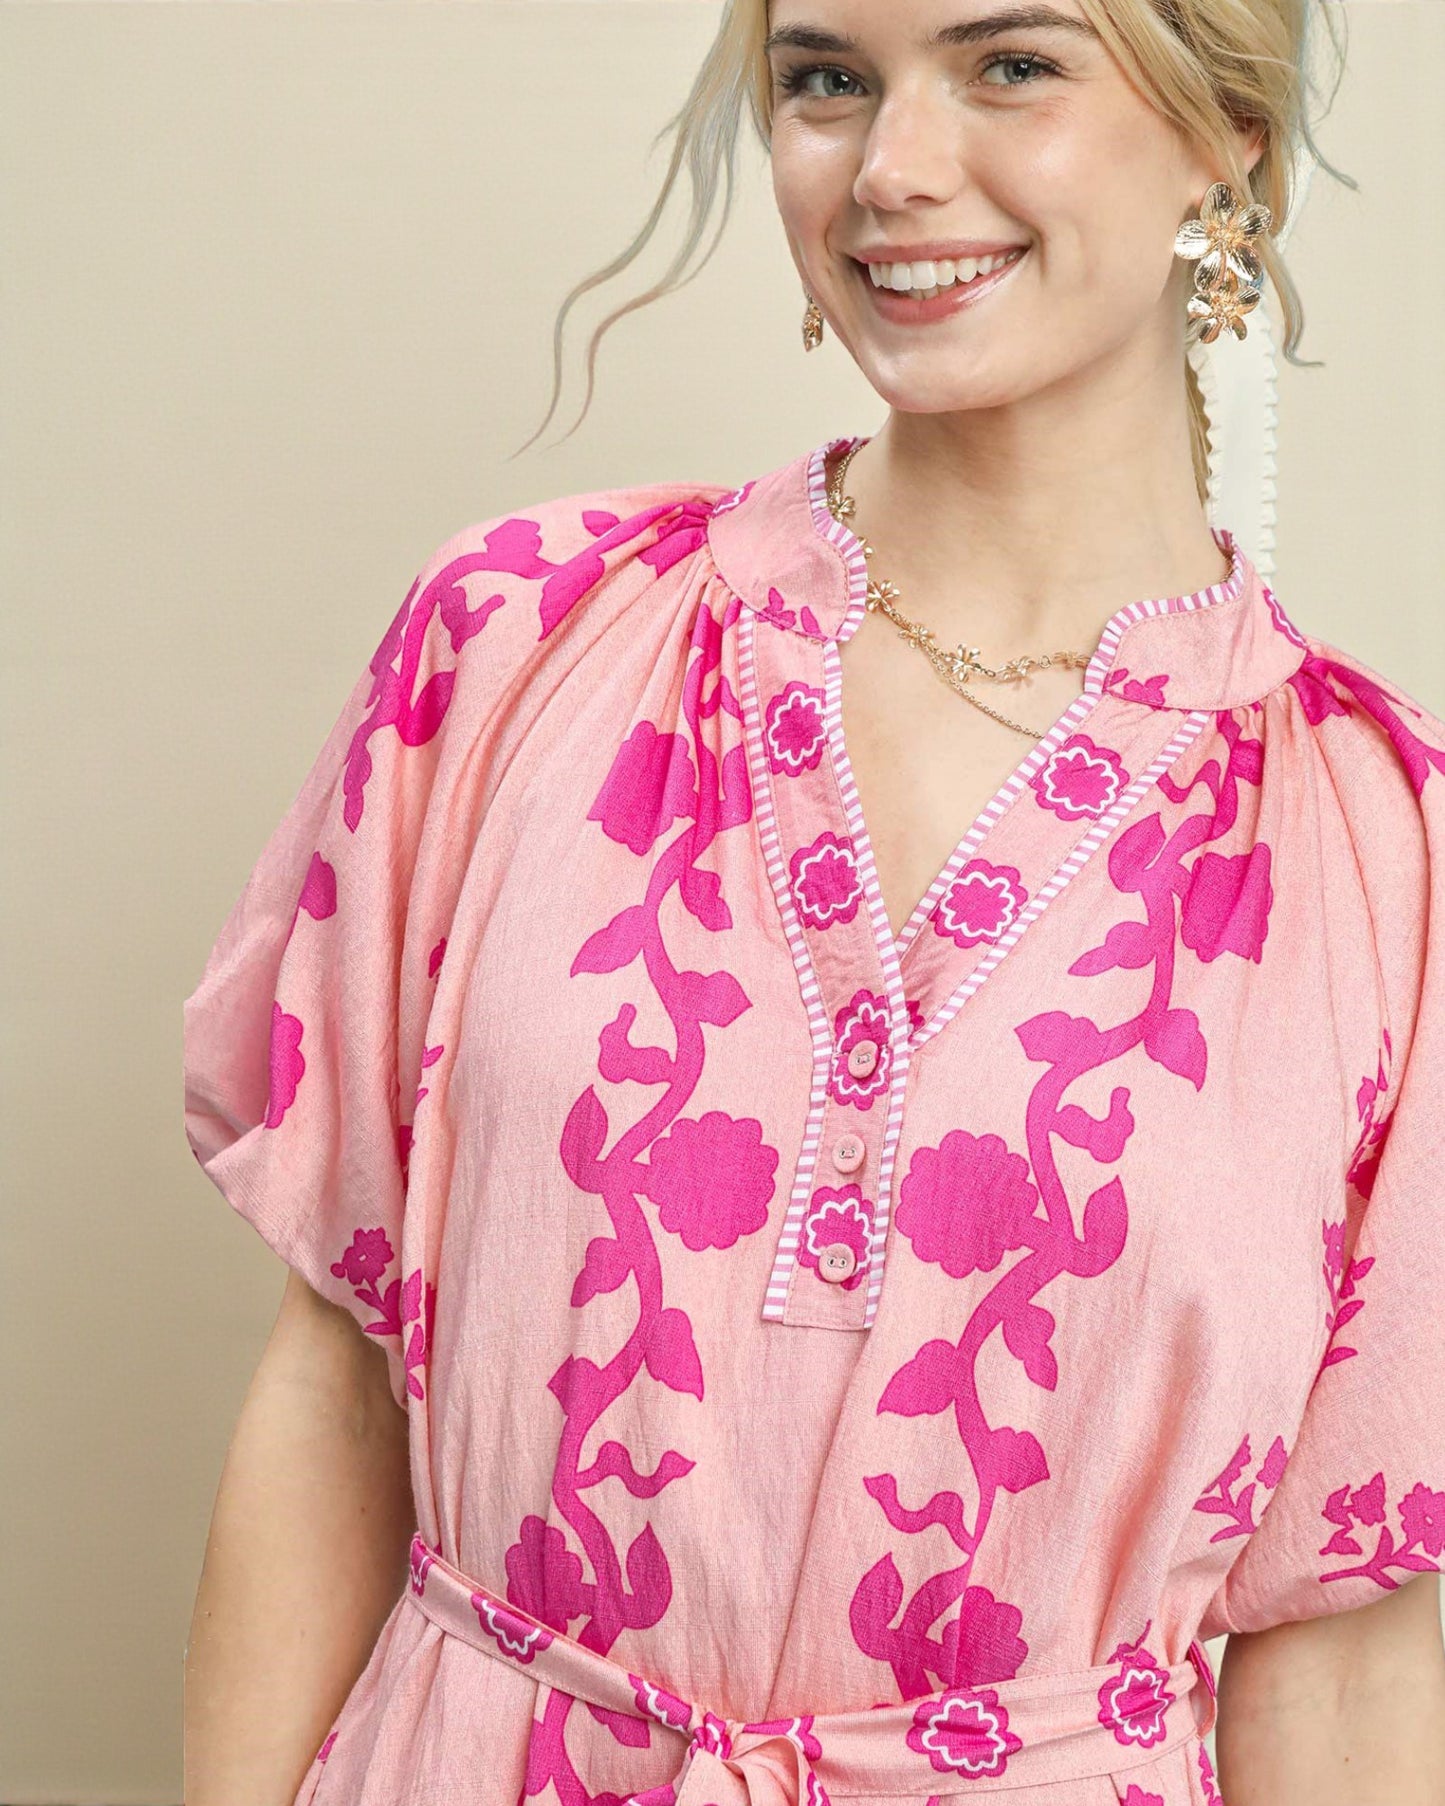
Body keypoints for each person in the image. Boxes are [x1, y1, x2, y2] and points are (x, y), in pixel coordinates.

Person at [180, 1, 1445, 1801]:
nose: (891, 169)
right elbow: (333, 1380)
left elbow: (1347, 1641)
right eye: (826, 79)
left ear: (1222, 130)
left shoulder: (1388, 855)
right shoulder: (523, 639)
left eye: (1011, 64)